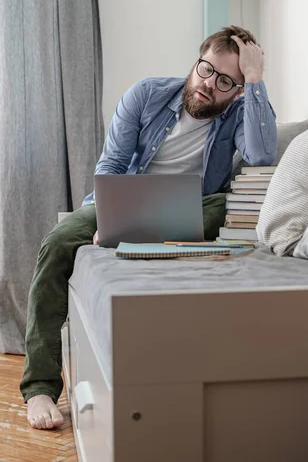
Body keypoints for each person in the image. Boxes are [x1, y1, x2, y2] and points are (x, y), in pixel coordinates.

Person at [20, 25, 277, 429]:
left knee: (225, 204)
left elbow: (262, 156)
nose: (210, 85)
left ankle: (137, 232)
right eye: (206, 69)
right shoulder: (147, 94)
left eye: (226, 81)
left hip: (197, 207)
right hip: (129, 197)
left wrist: (257, 79)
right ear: (196, 61)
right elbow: (111, 167)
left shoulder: (242, 110)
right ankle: (39, 387)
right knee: (57, 242)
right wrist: (113, 218)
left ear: (239, 90)